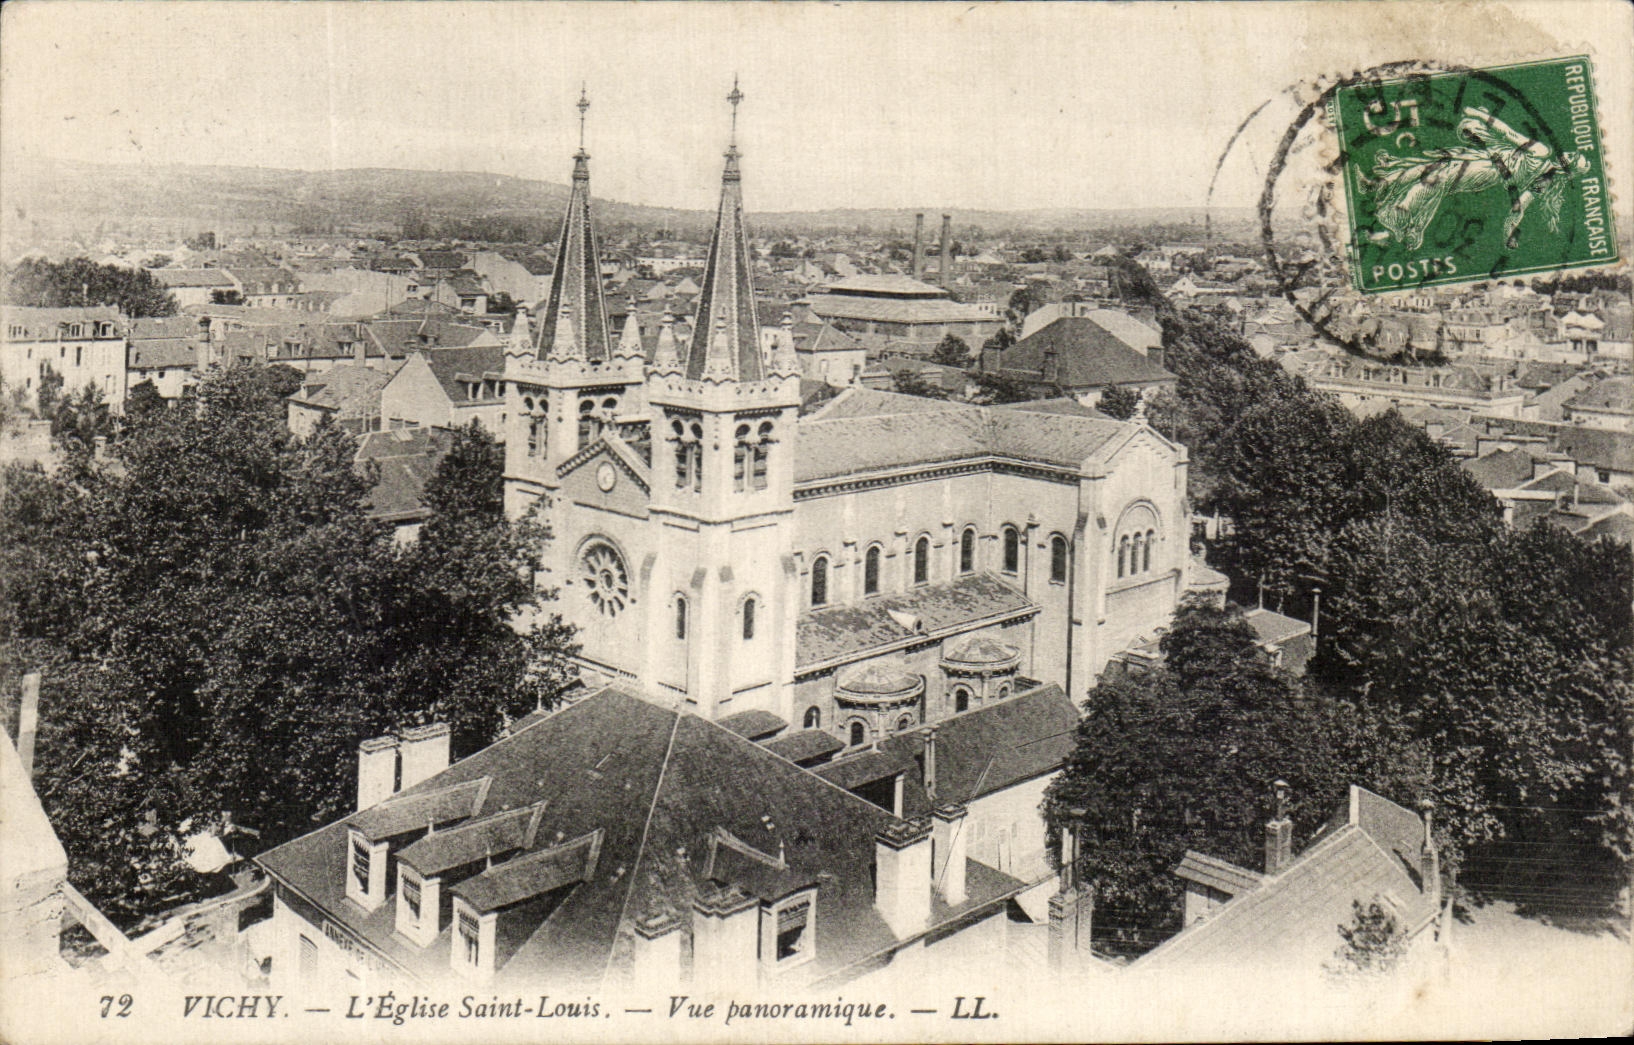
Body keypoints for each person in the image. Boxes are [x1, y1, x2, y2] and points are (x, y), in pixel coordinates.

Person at [1363, 106, 1590, 251]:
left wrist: (1479, 115)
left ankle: (1401, 218)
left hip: (1487, 168)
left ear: (1566, 167)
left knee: (1437, 176)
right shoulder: (1544, 182)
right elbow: (1518, 209)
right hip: (1486, 164)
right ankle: (1381, 187)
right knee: (1435, 167)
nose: (1567, 154)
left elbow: (1508, 133)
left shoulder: (1542, 152)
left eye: (1571, 158)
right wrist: (1509, 231)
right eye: (1572, 154)